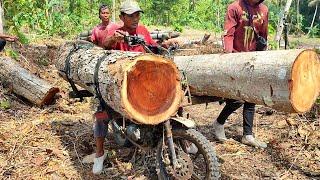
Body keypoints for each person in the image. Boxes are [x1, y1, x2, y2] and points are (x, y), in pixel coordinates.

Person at [213, 0, 268, 148]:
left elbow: (264, 35)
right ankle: (219, 123)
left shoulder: (264, 10)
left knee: (251, 97)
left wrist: (263, 49)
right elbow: (229, 33)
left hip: (253, 59)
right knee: (237, 99)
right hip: (236, 58)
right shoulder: (235, 7)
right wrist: (229, 57)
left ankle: (248, 135)